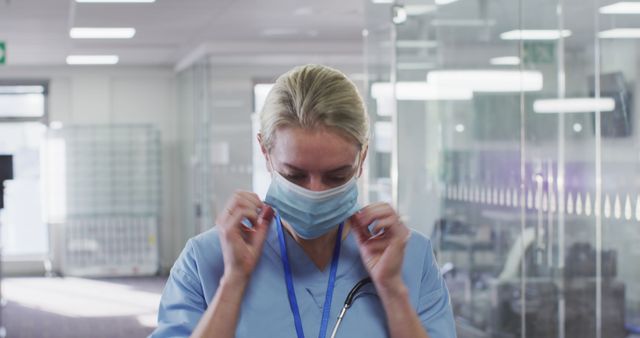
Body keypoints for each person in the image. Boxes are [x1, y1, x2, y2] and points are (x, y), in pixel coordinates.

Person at [150, 64, 456, 338]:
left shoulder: (410, 258)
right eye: (295, 176)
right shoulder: (206, 259)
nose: (316, 191)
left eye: (336, 176)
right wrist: (233, 283)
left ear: (362, 157)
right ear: (265, 152)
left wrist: (393, 292)